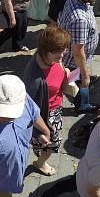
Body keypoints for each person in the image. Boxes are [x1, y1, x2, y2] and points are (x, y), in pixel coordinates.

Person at [24, 26, 72, 176]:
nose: (62, 54)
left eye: (63, 49)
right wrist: (43, 130)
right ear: (45, 51)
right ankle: (40, 163)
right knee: (51, 145)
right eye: (57, 51)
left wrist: (66, 73)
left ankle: (40, 160)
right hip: (45, 117)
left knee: (52, 143)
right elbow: (29, 109)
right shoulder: (33, 78)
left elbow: (58, 69)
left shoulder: (50, 58)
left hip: (55, 109)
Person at [58, 0, 99, 114]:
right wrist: (85, 74)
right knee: (82, 83)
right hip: (75, 62)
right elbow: (78, 51)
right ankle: (82, 106)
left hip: (76, 59)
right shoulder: (79, 20)